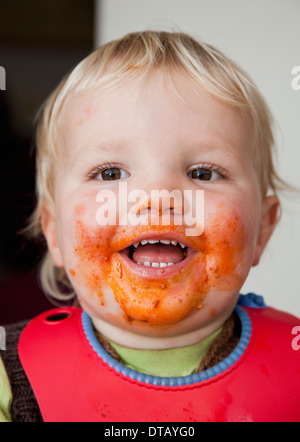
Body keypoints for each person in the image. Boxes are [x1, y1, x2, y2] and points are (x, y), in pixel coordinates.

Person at [0, 31, 299, 423]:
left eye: (203, 173)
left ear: (262, 231)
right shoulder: (9, 376)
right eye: (110, 172)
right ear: (54, 230)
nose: (157, 197)